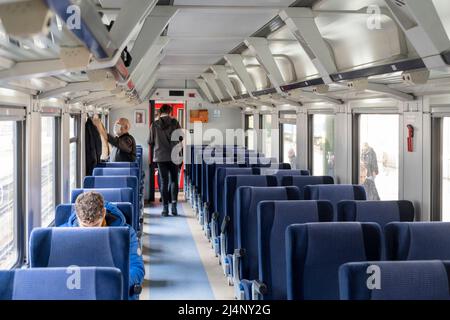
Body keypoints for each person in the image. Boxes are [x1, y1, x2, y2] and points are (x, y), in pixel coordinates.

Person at [62, 191, 145, 300]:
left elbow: (137, 269)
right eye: (85, 226)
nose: (92, 231)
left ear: (104, 213)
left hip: (112, 289)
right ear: (77, 217)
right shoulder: (62, 235)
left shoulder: (126, 234)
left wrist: (115, 282)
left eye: (96, 225)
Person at [148, 104, 183, 217]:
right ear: (170, 112)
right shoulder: (175, 123)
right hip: (174, 156)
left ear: (160, 112)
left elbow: (150, 141)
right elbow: (180, 138)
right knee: (174, 181)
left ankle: (165, 209)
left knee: (164, 182)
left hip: (160, 157)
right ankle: (174, 207)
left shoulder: (154, 124)